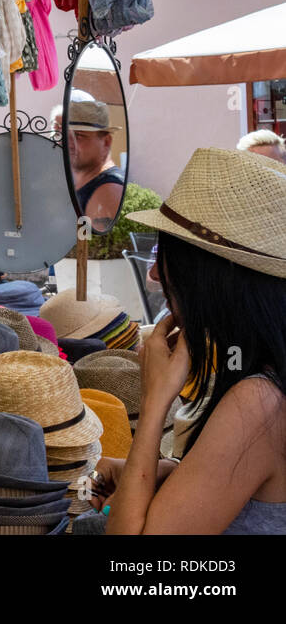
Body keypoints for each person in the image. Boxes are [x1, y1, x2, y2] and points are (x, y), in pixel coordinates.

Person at [93, 148, 286, 534]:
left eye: (166, 255)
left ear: (209, 280)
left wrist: (153, 405)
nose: (154, 276)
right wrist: (171, 474)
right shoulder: (266, 383)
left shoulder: (257, 403)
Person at [66, 99, 126, 232]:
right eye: (66, 135)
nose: (69, 143)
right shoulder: (86, 181)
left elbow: (92, 246)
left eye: (79, 136)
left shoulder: (108, 190)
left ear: (106, 142)